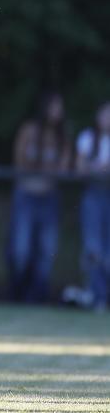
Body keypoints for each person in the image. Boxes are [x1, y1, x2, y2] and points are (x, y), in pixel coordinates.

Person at [6, 92, 71, 303]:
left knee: (47, 250)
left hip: (49, 198)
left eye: (60, 108)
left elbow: (61, 168)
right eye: (54, 107)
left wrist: (43, 172)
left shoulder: (62, 136)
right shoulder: (29, 130)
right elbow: (20, 162)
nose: (57, 112)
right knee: (20, 249)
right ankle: (16, 292)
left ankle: (37, 296)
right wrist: (42, 171)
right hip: (26, 196)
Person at [75, 102, 110, 312]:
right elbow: (80, 167)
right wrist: (96, 168)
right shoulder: (88, 138)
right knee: (93, 248)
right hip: (93, 196)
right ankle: (97, 296)